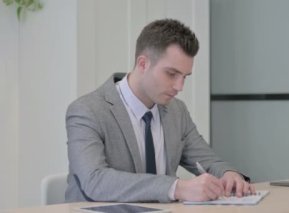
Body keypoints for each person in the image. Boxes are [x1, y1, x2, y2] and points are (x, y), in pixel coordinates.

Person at [65, 18, 254, 203]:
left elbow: (208, 161)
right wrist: (176, 188)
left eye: (184, 77)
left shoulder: (177, 111)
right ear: (143, 64)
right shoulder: (87, 111)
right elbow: (95, 180)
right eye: (171, 74)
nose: (179, 86)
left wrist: (229, 174)